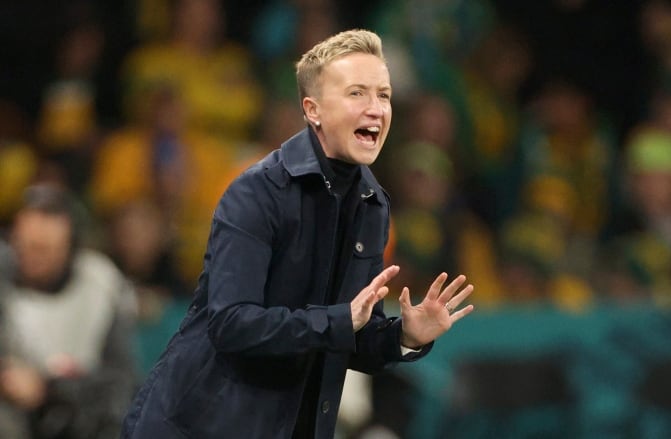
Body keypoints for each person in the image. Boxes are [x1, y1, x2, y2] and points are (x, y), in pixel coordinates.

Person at [121, 29, 474, 439]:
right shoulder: (255, 192)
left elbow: (351, 334)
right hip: (199, 427)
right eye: (357, 94)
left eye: (384, 94)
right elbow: (233, 324)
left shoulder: (372, 204)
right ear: (313, 110)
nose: (376, 109)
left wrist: (403, 336)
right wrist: (339, 321)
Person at [0, 184, 138, 439]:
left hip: (81, 418)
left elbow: (123, 382)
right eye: (24, 246)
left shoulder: (101, 284)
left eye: (43, 250)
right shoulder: (3, 276)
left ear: (70, 249)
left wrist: (49, 389)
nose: (30, 258)